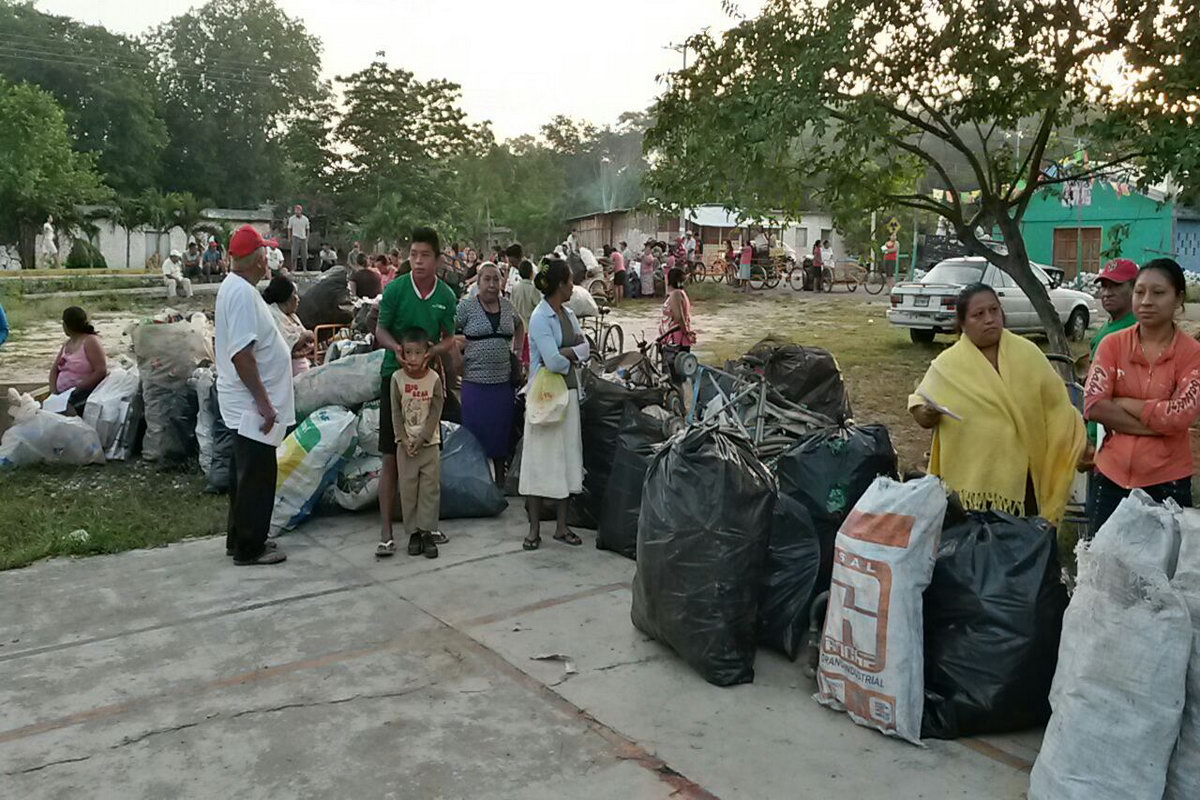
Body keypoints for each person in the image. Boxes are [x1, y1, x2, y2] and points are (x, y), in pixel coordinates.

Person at [908, 283, 1088, 527]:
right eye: (978, 315)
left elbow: (1058, 407)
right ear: (962, 323)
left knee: (1019, 548)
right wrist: (927, 412)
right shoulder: (948, 365)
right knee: (976, 551)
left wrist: (1079, 443)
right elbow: (920, 406)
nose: (990, 319)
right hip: (970, 487)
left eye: (994, 310)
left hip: (1024, 483)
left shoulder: (1028, 354)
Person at [1085, 258, 1200, 532]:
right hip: (1111, 476)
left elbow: (1181, 416)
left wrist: (1124, 402)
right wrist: (1157, 426)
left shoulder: (1191, 353)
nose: (1146, 301)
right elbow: (1094, 405)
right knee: (1105, 566)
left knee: (1161, 570)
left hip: (1168, 480)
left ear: (1179, 298)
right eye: (1139, 291)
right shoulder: (1112, 344)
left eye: (1158, 293)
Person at [375, 227, 459, 553]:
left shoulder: (446, 297)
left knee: (426, 454)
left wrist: (432, 353)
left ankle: (426, 529)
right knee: (392, 455)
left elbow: (450, 338)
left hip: (428, 385)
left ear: (437, 260)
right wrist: (398, 350)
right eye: (413, 255)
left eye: (425, 256)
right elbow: (380, 329)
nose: (418, 261)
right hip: (393, 380)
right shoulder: (396, 290)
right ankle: (386, 531)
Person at [215, 225, 293, 566]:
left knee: (244, 474)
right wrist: (264, 403)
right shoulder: (243, 294)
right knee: (257, 476)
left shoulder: (237, 288)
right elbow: (242, 355)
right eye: (265, 254)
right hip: (251, 406)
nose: (268, 260)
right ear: (255, 259)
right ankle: (250, 545)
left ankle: (241, 537)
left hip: (246, 403)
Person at [520, 259, 589, 551]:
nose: (573, 286)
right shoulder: (539, 317)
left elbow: (585, 348)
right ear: (560, 285)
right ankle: (534, 529)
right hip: (544, 396)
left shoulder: (569, 314)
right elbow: (553, 360)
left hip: (569, 393)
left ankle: (562, 526)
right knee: (539, 461)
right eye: (570, 281)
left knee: (566, 459)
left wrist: (569, 353)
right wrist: (572, 354)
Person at [379, 328, 445, 559]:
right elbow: (395, 413)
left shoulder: (434, 380)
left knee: (429, 490)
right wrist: (403, 440)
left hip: (429, 444)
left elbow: (436, 411)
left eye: (418, 353)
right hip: (405, 446)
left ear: (427, 353)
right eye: (408, 353)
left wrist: (423, 437)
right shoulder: (397, 379)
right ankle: (413, 534)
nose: (413, 359)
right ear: (402, 354)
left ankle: (427, 532)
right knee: (408, 490)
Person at [456, 263, 522, 484]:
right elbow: (446, 329)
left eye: (496, 279)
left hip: (502, 383)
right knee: (475, 431)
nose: (492, 285)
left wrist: (518, 353)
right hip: (474, 383)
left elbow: (520, 326)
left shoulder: (507, 306)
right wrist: (457, 354)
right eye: (487, 279)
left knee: (501, 429)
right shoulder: (467, 308)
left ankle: (500, 479)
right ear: (478, 282)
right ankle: (476, 480)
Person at [1086, 257, 1138, 445]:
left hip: (1116, 437)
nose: (1106, 293)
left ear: (1135, 288)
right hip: (1096, 429)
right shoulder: (1108, 327)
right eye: (1104, 286)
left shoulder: (1137, 332)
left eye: (1115, 286)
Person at [49, 306, 107, 416]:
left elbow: (100, 371)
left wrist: (77, 389)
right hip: (62, 396)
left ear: (66, 325)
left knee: (67, 412)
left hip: (82, 394)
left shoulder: (90, 341)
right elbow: (54, 370)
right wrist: (54, 393)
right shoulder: (67, 344)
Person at [262, 275, 315, 376]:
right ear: (286, 296)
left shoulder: (293, 316)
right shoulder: (273, 316)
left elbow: (309, 343)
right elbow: (285, 347)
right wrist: (304, 337)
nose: (298, 298)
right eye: (295, 294)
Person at [510, 259, 540, 366]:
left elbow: (511, 305)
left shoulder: (515, 287)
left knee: (519, 355)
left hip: (517, 327)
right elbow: (539, 306)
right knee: (529, 359)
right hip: (529, 327)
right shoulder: (533, 289)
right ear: (531, 273)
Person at [660, 267, 697, 352]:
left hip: (676, 340)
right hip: (677, 337)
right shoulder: (679, 293)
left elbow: (679, 317)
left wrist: (687, 333)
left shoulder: (676, 294)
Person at [288, 205, 310, 271]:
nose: (297, 212)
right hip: (295, 237)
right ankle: (293, 268)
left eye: (298, 210)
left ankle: (305, 268)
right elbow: (289, 229)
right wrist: (289, 238)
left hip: (303, 237)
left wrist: (307, 238)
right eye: (296, 210)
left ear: (301, 211)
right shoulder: (291, 219)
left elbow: (307, 229)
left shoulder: (305, 219)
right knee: (294, 254)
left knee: (304, 254)